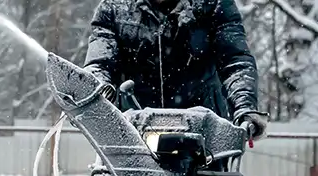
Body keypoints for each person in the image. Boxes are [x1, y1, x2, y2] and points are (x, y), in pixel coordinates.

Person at [83, 0, 269, 141]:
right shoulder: (115, 7)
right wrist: (96, 94)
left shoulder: (213, 4)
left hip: (203, 131)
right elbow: (100, 64)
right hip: (134, 132)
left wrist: (245, 106)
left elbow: (235, 60)